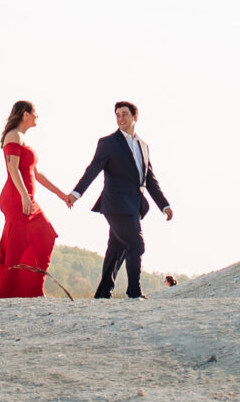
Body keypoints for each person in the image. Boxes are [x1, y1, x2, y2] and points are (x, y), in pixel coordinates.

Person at [69, 101, 172, 300]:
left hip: (134, 205)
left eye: (125, 114)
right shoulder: (108, 143)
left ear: (135, 117)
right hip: (115, 204)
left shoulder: (143, 145)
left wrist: (164, 205)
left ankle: (102, 294)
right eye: (117, 115)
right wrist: (76, 193)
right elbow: (93, 169)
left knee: (117, 249)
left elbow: (149, 179)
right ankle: (134, 292)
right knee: (136, 244)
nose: (121, 118)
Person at [0, 100, 75, 299]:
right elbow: (12, 169)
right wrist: (24, 197)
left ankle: (33, 289)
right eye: (34, 112)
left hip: (25, 198)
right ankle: (8, 294)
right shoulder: (13, 136)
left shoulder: (23, 139)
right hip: (16, 198)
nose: (37, 116)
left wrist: (62, 195)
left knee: (45, 236)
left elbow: (36, 173)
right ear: (24, 114)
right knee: (16, 247)